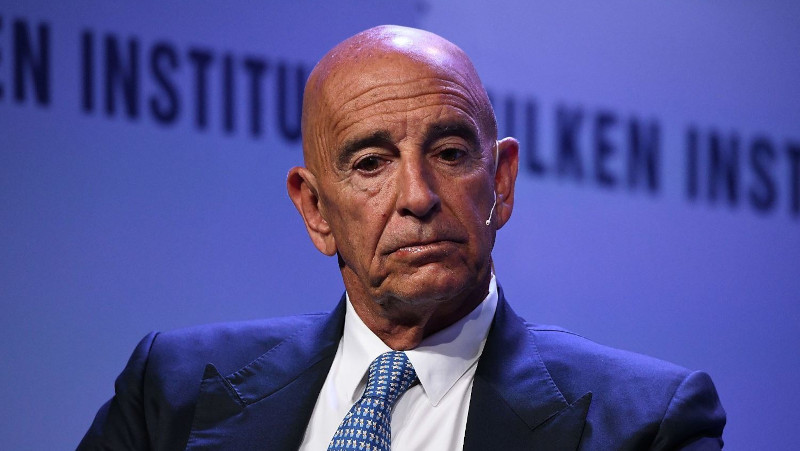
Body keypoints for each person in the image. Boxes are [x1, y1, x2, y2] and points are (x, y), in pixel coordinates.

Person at [78, 25, 726, 450]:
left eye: (449, 153)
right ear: (315, 209)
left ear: (500, 182)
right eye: (371, 163)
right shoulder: (172, 392)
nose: (418, 195)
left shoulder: (645, 424)